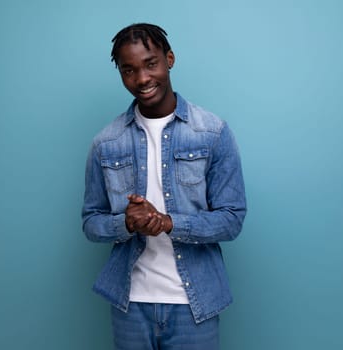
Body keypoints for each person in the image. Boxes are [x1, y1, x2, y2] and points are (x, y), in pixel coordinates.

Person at [82, 23, 246, 350]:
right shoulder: (106, 142)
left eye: (150, 63)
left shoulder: (212, 133)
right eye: (129, 70)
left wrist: (170, 223)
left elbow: (232, 219)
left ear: (169, 59)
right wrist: (125, 223)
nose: (142, 78)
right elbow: (90, 222)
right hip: (130, 302)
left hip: (194, 303)